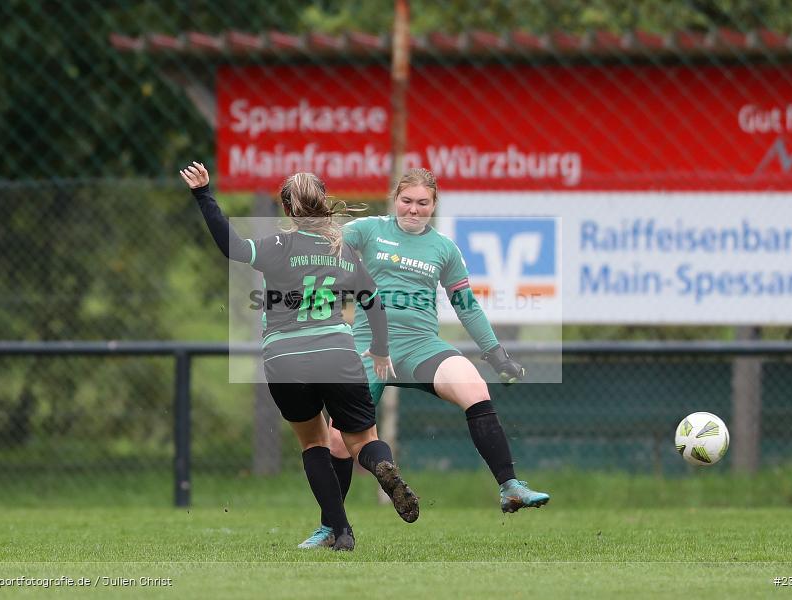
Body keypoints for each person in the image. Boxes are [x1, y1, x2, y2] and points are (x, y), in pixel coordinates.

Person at [298, 167, 549, 548]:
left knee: (474, 387)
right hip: (369, 347)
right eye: (406, 201)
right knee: (337, 440)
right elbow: (324, 243)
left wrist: (496, 354)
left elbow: (466, 305)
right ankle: (332, 528)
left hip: (421, 346)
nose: (413, 209)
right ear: (394, 199)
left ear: (434, 206)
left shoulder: (443, 248)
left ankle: (509, 487)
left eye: (422, 203)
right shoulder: (370, 230)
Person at [180, 162, 419, 551]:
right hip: (336, 353)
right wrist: (380, 349)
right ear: (323, 204)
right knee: (363, 440)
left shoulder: (279, 245)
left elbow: (233, 247)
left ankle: (341, 532)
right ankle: (380, 466)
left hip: (285, 358)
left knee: (314, 444)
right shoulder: (343, 250)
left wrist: (203, 194)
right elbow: (374, 303)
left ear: (288, 209)